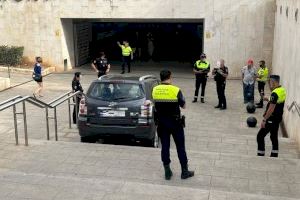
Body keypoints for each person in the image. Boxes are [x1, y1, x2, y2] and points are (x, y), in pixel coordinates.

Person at [152, 69, 194, 180]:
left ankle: (167, 171)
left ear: (161, 77)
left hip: (162, 123)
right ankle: (184, 171)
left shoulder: (155, 89)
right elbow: (184, 106)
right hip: (175, 123)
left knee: (165, 147)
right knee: (180, 147)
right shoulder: (176, 90)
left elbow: (154, 103)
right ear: (170, 77)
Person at [257, 75, 286, 157]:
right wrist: (267, 98)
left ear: (274, 82)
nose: (269, 84)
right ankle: (274, 154)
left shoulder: (275, 93)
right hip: (277, 118)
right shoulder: (281, 90)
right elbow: (276, 100)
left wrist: (264, 120)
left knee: (260, 136)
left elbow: (271, 108)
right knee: (273, 136)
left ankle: (260, 154)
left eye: (270, 82)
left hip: (271, 118)